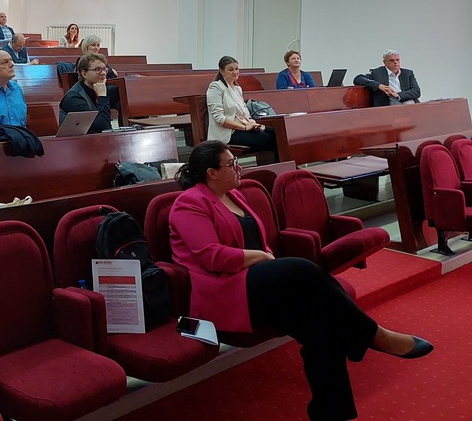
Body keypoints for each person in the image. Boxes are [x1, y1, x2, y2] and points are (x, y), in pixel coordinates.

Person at [169, 141, 432, 421]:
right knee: (301, 269)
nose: (238, 168)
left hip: (256, 284)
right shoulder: (189, 203)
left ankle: (330, 413)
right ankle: (374, 335)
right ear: (211, 172)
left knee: (321, 328)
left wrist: (265, 259)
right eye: (231, 163)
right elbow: (212, 256)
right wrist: (263, 258)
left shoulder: (234, 195)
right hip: (225, 293)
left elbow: (257, 239)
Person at [206, 55, 277, 156]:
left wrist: (251, 122)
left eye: (237, 69)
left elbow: (245, 113)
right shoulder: (216, 87)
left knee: (277, 133)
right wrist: (244, 127)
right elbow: (219, 118)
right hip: (229, 132)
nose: (235, 72)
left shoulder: (237, 89)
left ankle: (283, 164)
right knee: (269, 140)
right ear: (222, 71)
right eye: (230, 69)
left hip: (244, 126)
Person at [59, 52, 112, 134]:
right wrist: (102, 97)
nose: (103, 73)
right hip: (78, 140)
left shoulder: (100, 89)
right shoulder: (74, 98)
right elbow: (103, 126)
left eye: (105, 69)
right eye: (98, 70)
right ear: (84, 74)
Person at [353, 50, 421, 107]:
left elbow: (416, 91)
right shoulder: (377, 73)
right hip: (388, 104)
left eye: (397, 60)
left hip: (406, 100)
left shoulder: (408, 73)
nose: (395, 62)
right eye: (392, 60)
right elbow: (358, 79)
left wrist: (398, 95)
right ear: (384, 62)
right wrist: (379, 86)